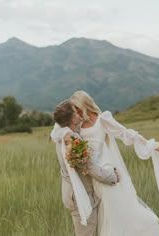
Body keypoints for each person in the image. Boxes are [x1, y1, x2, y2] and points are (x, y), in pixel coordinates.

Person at [69, 90, 159, 236]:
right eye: (75, 110)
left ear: (85, 105)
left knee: (120, 211)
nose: (77, 113)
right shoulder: (78, 126)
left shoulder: (102, 119)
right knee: (108, 214)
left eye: (78, 109)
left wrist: (153, 146)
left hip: (109, 171)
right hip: (95, 175)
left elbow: (125, 133)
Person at [50, 100, 120, 236]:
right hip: (81, 195)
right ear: (73, 118)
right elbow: (91, 167)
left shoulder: (62, 133)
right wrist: (112, 176)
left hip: (73, 193)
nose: (80, 114)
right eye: (76, 111)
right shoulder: (74, 141)